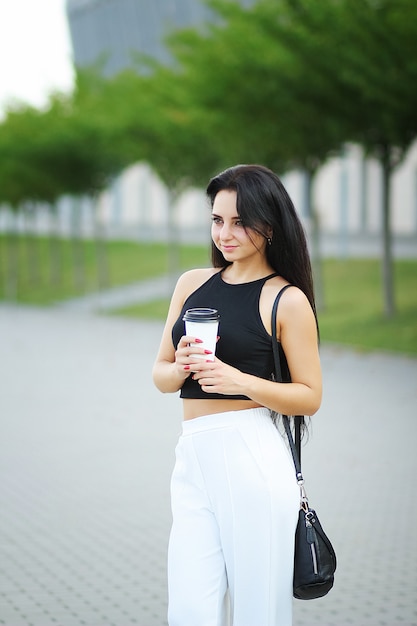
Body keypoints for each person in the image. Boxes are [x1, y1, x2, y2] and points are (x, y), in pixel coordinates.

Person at [152, 164, 322, 626]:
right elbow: (161, 376)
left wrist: (239, 381)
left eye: (238, 221)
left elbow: (309, 396)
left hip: (252, 455)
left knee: (258, 611)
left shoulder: (285, 299)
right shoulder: (191, 284)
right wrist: (183, 365)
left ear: (269, 225)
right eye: (217, 220)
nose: (225, 233)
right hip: (193, 456)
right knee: (189, 609)